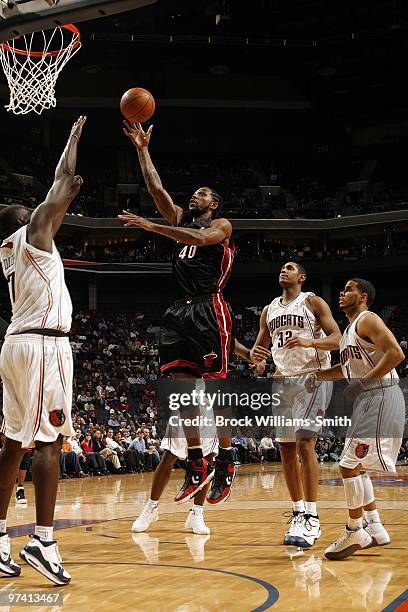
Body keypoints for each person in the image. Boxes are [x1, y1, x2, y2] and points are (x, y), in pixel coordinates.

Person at [119, 122, 268, 505]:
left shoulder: (221, 225)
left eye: (203, 193)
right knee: (180, 394)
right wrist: (141, 149)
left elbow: (201, 240)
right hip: (177, 311)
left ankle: (228, 460)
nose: (195, 195)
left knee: (216, 388)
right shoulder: (181, 218)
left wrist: (151, 227)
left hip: (208, 305)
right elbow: (155, 188)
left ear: (213, 203)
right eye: (196, 193)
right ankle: (198, 463)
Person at [0, 115, 86, 585]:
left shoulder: (10, 248)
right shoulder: (34, 231)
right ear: (23, 219)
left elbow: (59, 186)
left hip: (15, 344)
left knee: (13, 443)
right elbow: (58, 187)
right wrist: (71, 154)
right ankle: (43, 540)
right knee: (50, 442)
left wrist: (70, 147)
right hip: (43, 346)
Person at [307, 278, 405, 560]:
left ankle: (354, 529)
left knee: (347, 464)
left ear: (362, 296)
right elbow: (347, 368)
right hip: (370, 399)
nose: (342, 292)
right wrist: (318, 375)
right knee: (357, 465)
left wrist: (363, 384)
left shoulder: (367, 319)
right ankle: (374, 526)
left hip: (380, 396)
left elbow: (396, 354)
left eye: (348, 289)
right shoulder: (351, 330)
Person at [250, 262, 341, 547]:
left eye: (289, 268)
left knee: (305, 443)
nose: (283, 270)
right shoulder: (269, 310)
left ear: (301, 277)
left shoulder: (311, 301)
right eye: (281, 268)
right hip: (282, 380)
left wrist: (308, 342)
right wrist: (258, 360)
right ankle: (298, 511)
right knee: (286, 449)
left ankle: (313, 518)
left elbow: (337, 339)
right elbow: (259, 350)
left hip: (312, 378)